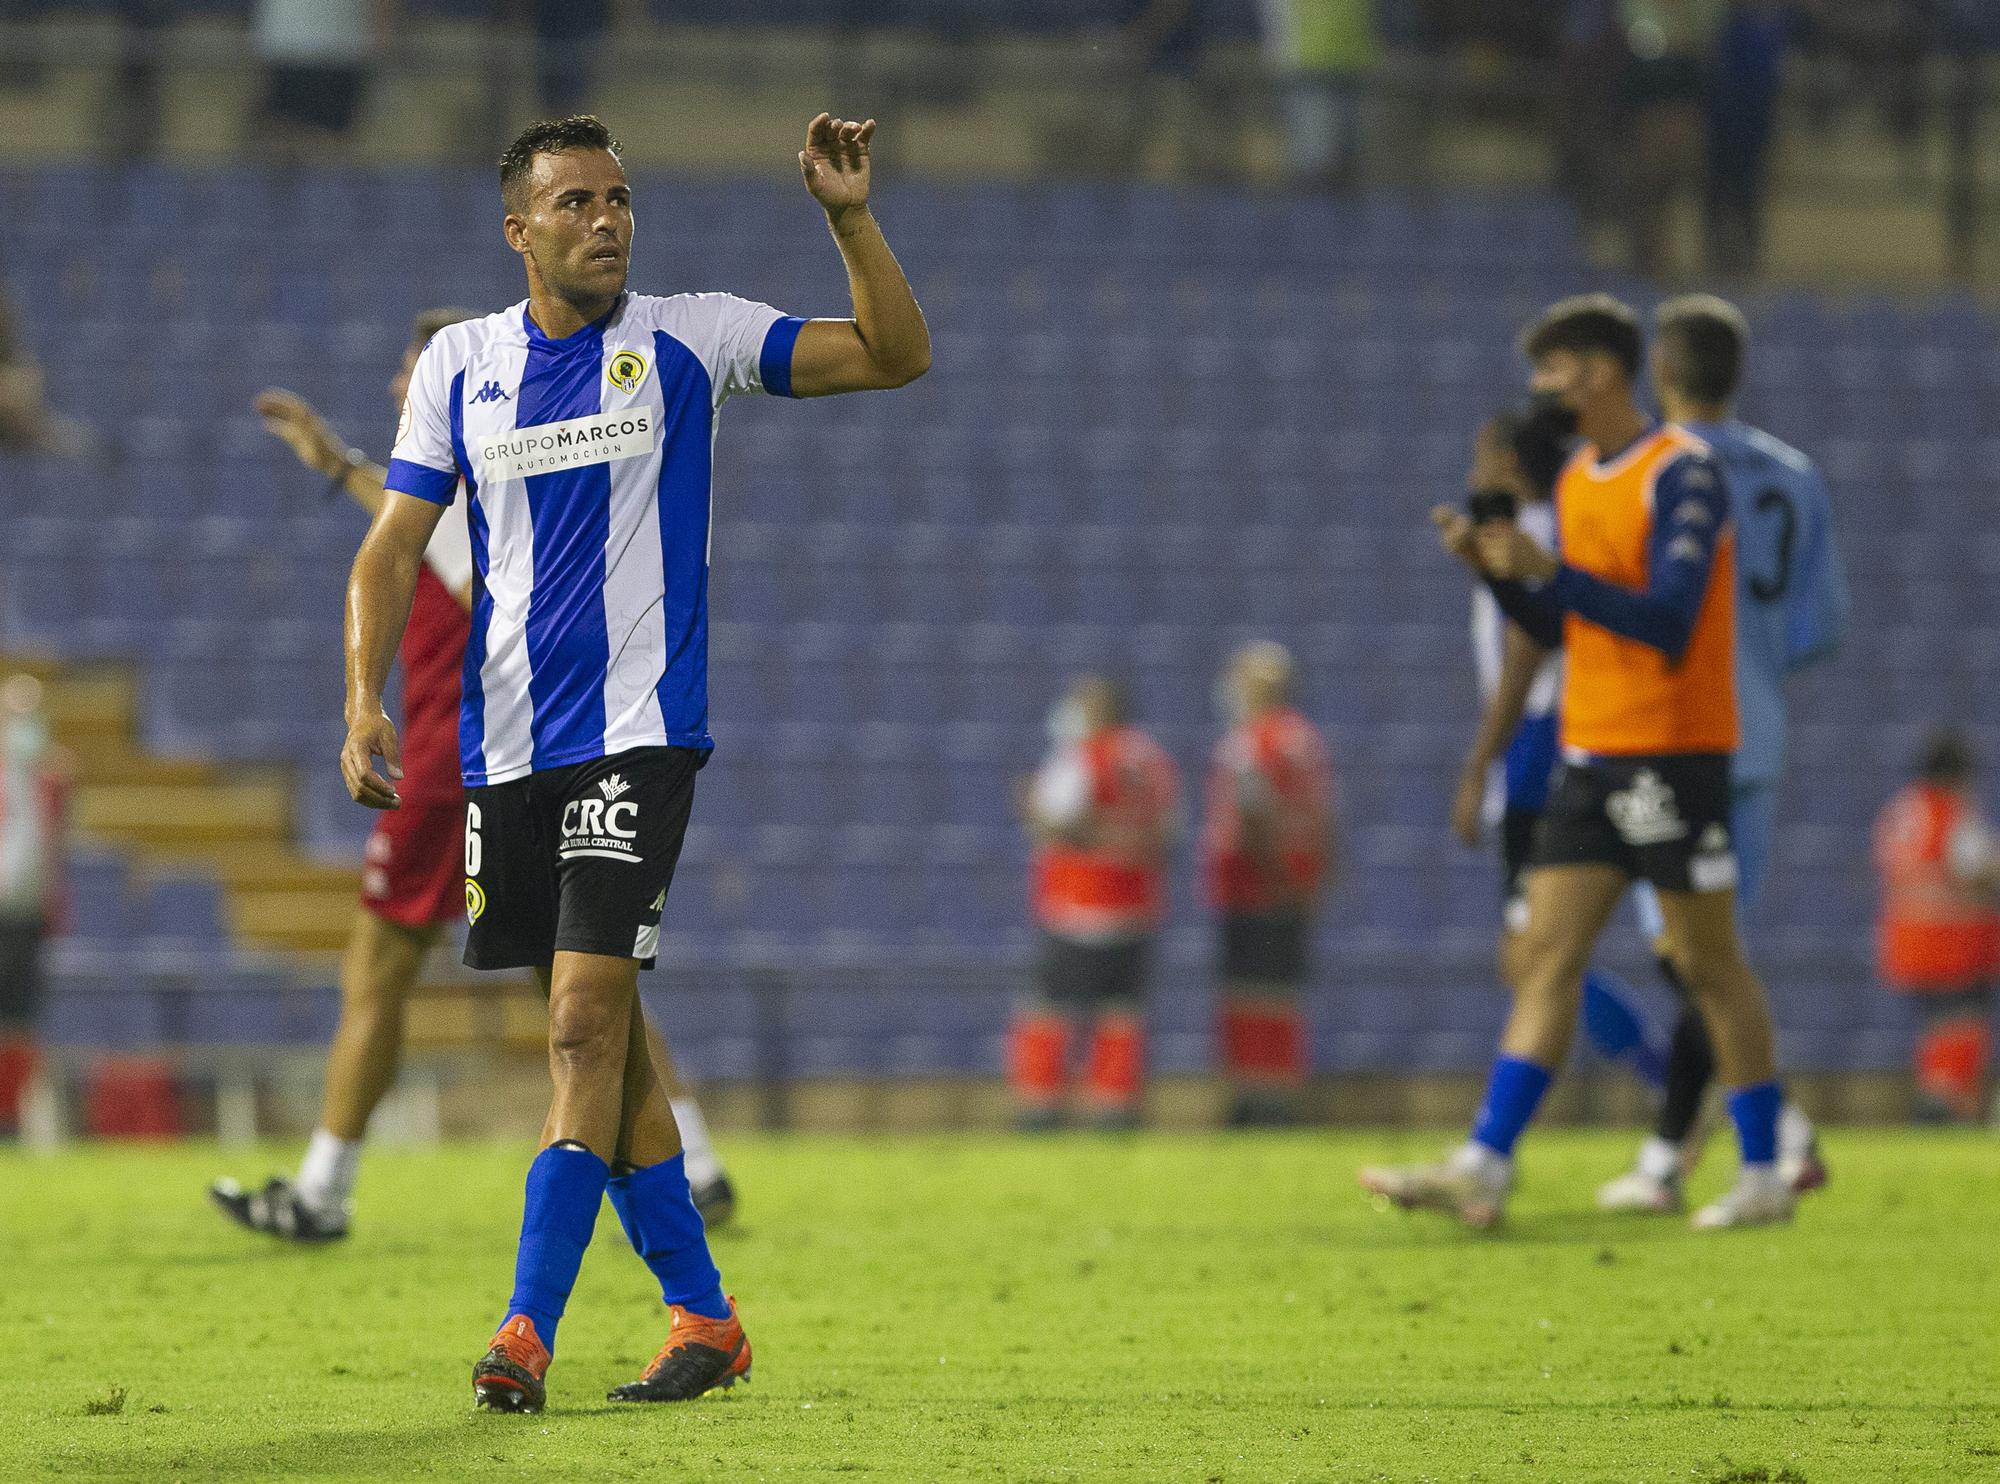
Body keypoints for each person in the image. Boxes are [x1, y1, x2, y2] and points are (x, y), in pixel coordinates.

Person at [341, 113, 928, 1412]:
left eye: (619, 199)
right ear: (520, 231)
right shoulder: (460, 364)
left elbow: (897, 355)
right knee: (615, 1047)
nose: (607, 220)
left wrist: (846, 219)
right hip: (505, 753)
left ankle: (524, 1333)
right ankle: (706, 1318)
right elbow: (390, 549)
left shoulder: (690, 335)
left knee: (579, 1023)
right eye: (576, 203)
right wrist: (363, 704)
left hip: (639, 734)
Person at [209, 309, 740, 1242]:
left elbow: (415, 536)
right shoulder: (506, 481)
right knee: (583, 986)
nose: (401, 392)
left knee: (382, 972)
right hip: (512, 757)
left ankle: (324, 1188)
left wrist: (340, 469)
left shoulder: (476, 487)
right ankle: (694, 1160)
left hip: (461, 768)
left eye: (415, 376)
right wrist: (339, 466)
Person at [1361, 293, 1795, 1232]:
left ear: (1599, 371)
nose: (1540, 390)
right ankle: (1486, 1159)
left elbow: (1671, 621)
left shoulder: (1681, 474)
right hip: (1592, 754)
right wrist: (1498, 574)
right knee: (1547, 957)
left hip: (1671, 757)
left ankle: (1765, 1168)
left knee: (1709, 964)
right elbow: (1562, 628)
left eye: (1551, 371)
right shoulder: (1579, 485)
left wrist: (1547, 572)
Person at [1595, 294, 1845, 1211]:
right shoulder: (1795, 476)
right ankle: (1714, 1143)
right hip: (1761, 736)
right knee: (1707, 947)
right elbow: (1823, 625)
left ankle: (1761, 1132)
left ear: (1662, 370)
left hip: (1674, 731)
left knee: (1694, 953)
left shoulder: (1659, 471)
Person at [1448, 411, 1667, 1092]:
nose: (1473, 473)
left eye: (1482, 456)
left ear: (1509, 463)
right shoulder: (1553, 529)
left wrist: (1480, 760)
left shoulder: (1531, 537)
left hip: (1539, 747)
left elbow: (1526, 651)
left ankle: (1670, 1080)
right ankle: (1666, 1082)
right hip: (1554, 743)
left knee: (1537, 958)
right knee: (1534, 957)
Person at [1014, 677, 1180, 1130]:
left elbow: (1061, 823)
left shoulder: (1081, 757)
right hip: (1135, 908)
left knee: (1048, 1006)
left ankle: (1041, 1108)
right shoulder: (1152, 760)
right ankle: (1115, 1108)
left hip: (1077, 904)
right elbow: (1168, 832)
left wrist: (1031, 806)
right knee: (1121, 1011)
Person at [1201, 641, 1334, 1125]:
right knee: (1282, 994)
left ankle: (1253, 1099)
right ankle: (1280, 1092)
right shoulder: (1307, 740)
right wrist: (1313, 884)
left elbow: (1252, 817)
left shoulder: (1248, 743)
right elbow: (1324, 819)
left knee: (1248, 993)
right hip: (1293, 887)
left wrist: (1274, 879)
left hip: (1252, 890)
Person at [1874, 731, 2000, 1125]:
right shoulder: (1952, 814)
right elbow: (1977, 867)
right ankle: (1946, 1104)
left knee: (1936, 1027)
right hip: (1952, 943)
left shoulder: (1899, 812)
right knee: (1961, 1024)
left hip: (1906, 942)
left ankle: (1937, 1096)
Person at [0, 674, 71, 1141]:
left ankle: (11, 1117)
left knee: (22, 1019)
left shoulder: (52, 777)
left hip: (29, 914)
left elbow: (52, 845)